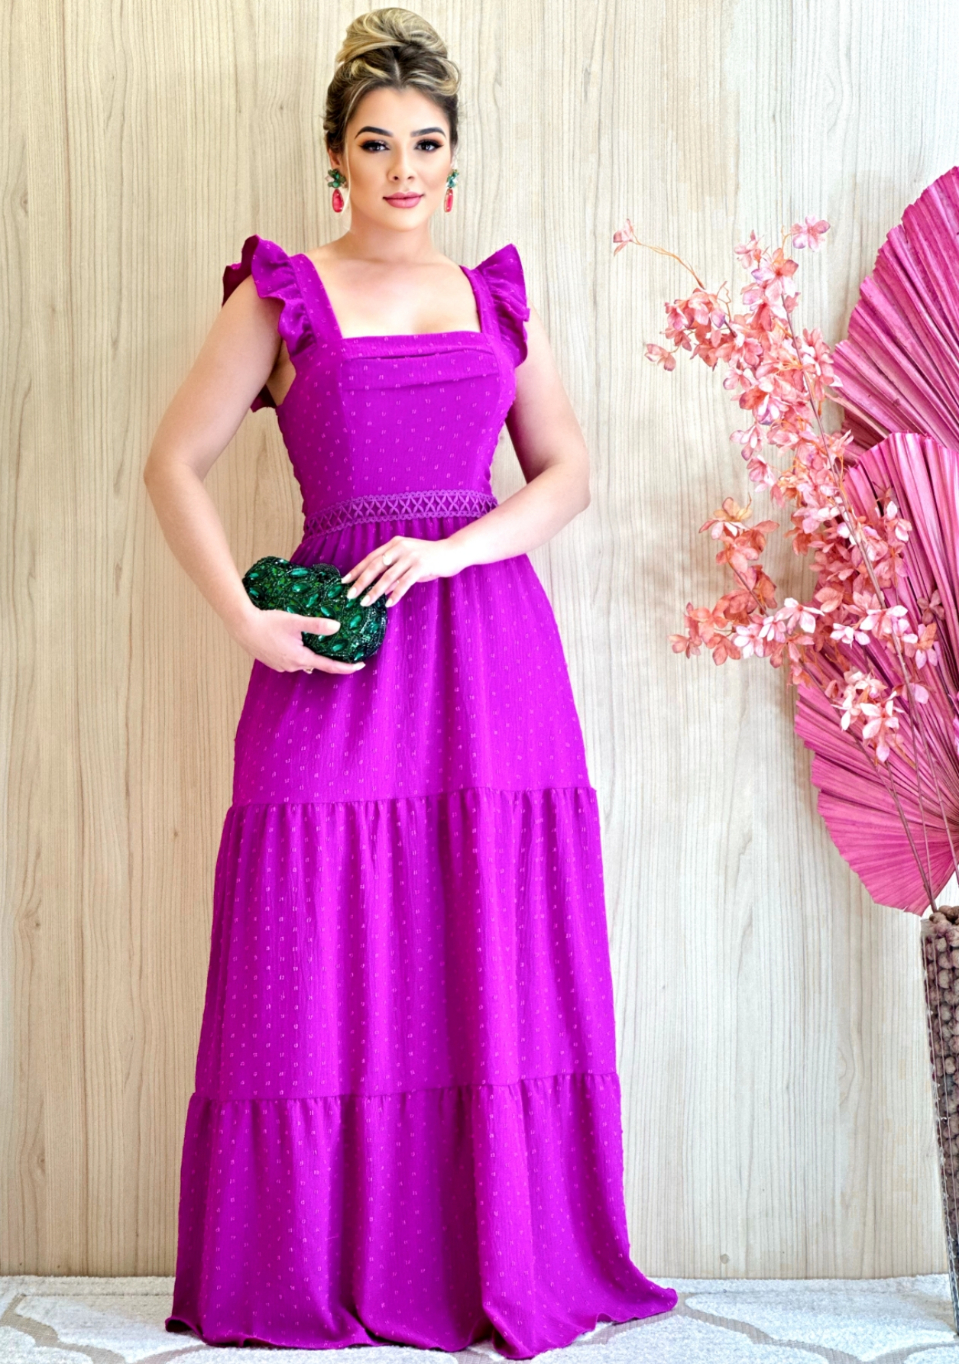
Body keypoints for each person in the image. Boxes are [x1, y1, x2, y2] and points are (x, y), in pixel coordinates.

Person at [144, 7, 677, 1355]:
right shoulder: (280, 298)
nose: (402, 168)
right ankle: (305, 1264)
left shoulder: (495, 298)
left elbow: (568, 473)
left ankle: (497, 1255)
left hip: (488, 654)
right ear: (335, 156)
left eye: (426, 144)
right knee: (313, 938)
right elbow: (170, 466)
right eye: (376, 143)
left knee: (485, 937)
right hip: (334, 661)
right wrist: (246, 623)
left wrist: (451, 553)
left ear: (455, 159)